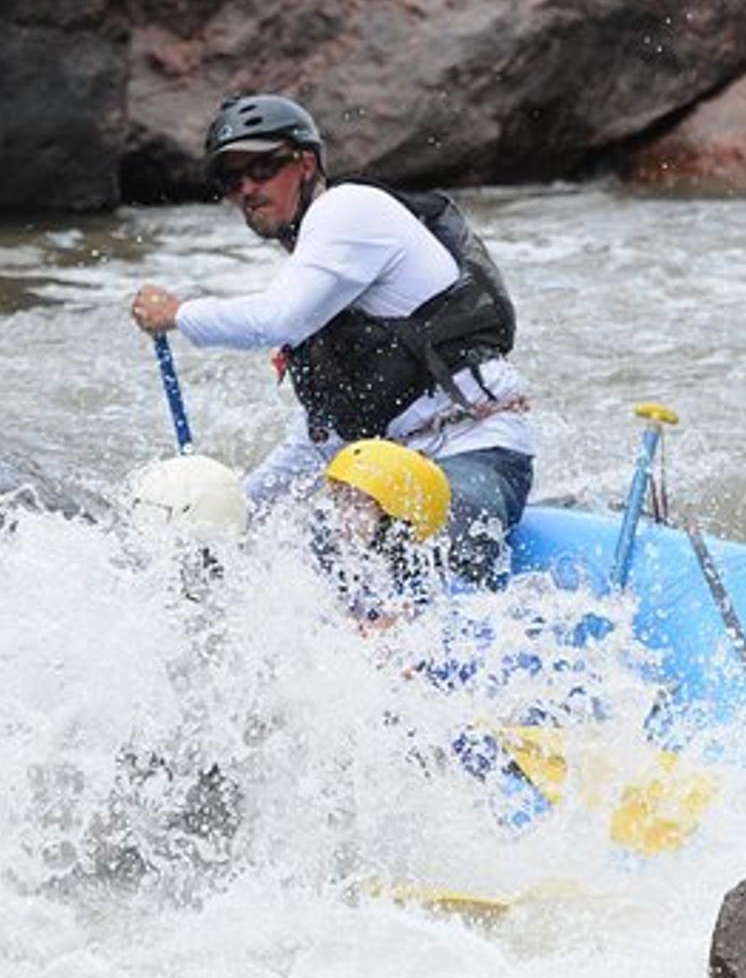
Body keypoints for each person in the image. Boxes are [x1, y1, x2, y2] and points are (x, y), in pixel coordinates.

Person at [129, 92, 534, 585]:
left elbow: (275, 319)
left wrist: (179, 314)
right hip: (384, 478)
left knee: (397, 545)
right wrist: (236, 517)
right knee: (297, 551)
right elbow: (316, 440)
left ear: (304, 163)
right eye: (230, 179)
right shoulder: (323, 279)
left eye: (261, 169)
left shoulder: (349, 210)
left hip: (476, 454)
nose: (247, 189)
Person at [322, 438, 452, 627]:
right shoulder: (334, 560)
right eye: (341, 503)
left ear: (394, 523)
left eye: (358, 507)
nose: (344, 517)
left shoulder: (426, 582)